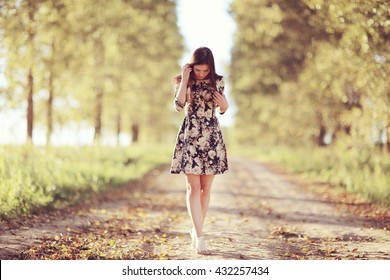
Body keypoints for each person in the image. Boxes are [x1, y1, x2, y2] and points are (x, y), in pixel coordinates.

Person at [170, 47, 229, 255]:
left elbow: (221, 108)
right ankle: (200, 236)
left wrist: (225, 106)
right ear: (191, 66)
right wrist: (186, 79)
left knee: (206, 188)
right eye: (197, 70)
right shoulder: (182, 81)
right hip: (190, 136)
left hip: (211, 136)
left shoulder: (218, 81)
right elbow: (178, 106)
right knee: (192, 188)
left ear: (210, 68)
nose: (201, 74)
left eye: (205, 70)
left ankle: (196, 230)